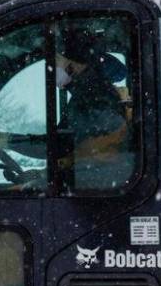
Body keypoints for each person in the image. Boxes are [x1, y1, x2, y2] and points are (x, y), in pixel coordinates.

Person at [55, 24, 132, 189]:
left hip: (94, 184)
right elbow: (64, 142)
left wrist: (9, 141)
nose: (54, 70)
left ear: (73, 64)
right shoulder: (86, 93)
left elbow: (88, 150)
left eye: (57, 62)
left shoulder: (93, 98)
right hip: (90, 179)